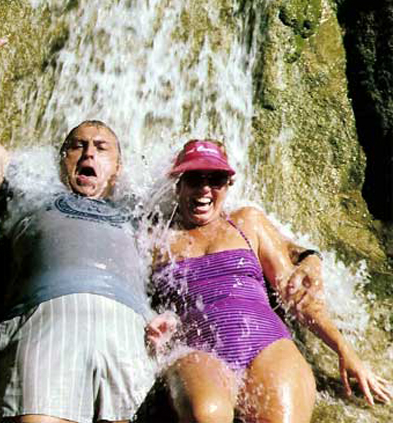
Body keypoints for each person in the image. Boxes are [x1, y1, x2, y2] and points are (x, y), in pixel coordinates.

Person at [0, 6, 155, 423]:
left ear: (117, 167)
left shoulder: (140, 212)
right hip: (46, 316)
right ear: (62, 160)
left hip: (126, 327)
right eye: (78, 145)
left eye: (101, 147)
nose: (89, 152)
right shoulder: (29, 190)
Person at [146, 140, 392, 423]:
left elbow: (295, 295)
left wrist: (345, 351)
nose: (204, 189)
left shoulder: (247, 222)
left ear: (228, 186)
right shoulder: (155, 238)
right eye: (194, 178)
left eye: (215, 179)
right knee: (207, 416)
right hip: (198, 350)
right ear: (178, 185)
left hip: (266, 344)